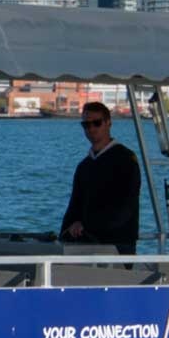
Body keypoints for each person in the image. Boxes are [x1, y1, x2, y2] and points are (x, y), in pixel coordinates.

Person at [57, 101, 141, 254]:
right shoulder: (84, 166)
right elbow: (74, 206)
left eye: (96, 123)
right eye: (86, 125)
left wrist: (87, 225)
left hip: (118, 243)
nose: (91, 128)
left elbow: (126, 207)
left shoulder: (126, 160)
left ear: (108, 123)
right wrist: (65, 233)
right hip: (86, 243)